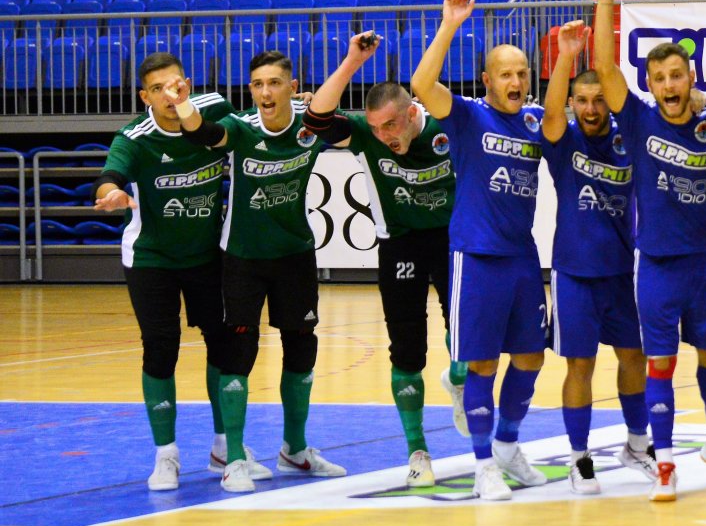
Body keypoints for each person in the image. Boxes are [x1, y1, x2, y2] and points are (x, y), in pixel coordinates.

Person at [590, 0, 706, 502]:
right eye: (659, 77)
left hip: (705, 265)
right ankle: (664, 463)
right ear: (651, 84)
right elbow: (608, 71)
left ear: (690, 78)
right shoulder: (637, 119)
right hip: (656, 266)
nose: (668, 83)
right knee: (660, 362)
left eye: (677, 74)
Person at [172, 52, 350, 492]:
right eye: (257, 84)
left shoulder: (312, 129)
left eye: (274, 83)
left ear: (292, 87)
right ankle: (233, 457)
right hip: (242, 258)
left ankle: (295, 449)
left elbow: (354, 130)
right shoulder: (240, 129)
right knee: (238, 355)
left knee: (301, 349)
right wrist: (182, 105)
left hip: (295, 256)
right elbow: (204, 132)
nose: (265, 92)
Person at [302, 36, 470, 487]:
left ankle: (457, 378)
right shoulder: (365, 135)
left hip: (453, 238)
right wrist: (353, 61)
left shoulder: (445, 126)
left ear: (413, 111)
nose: (386, 136)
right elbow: (316, 117)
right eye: (378, 128)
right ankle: (417, 449)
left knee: (467, 329)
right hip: (398, 243)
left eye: (393, 125)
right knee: (407, 348)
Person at [95, 55, 258, 492]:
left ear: (186, 85)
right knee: (160, 349)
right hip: (152, 260)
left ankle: (225, 446)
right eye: (159, 89)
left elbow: (253, 124)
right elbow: (110, 175)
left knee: (223, 344)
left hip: (207, 256)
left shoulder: (216, 109)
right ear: (145, 96)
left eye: (176, 85)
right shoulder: (135, 138)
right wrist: (110, 195)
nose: (171, 96)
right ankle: (166, 454)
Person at [410, 0, 550, 502]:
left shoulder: (535, 121)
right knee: (484, 365)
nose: (515, 81)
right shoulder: (467, 117)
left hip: (522, 257)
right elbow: (421, 86)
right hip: (477, 255)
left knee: (532, 358)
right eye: (505, 74)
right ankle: (484, 463)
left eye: (522, 72)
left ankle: (510, 445)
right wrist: (450, 24)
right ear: (487, 81)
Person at [537, 22, 650, 496]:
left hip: (623, 272)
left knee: (634, 357)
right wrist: (565, 57)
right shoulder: (562, 139)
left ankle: (638, 444)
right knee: (579, 365)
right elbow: (549, 115)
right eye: (581, 101)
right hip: (574, 273)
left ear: (610, 101)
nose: (589, 108)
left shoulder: (631, 137)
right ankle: (579, 458)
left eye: (597, 100)